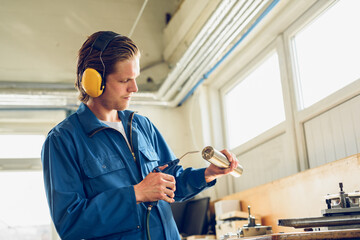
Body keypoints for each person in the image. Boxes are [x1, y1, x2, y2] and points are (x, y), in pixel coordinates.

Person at [41, 31, 238, 240]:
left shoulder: (142, 126)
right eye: (125, 80)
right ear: (93, 80)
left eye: (135, 78)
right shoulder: (63, 141)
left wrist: (208, 174)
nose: (134, 88)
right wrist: (136, 194)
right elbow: (70, 223)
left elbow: (172, 185)